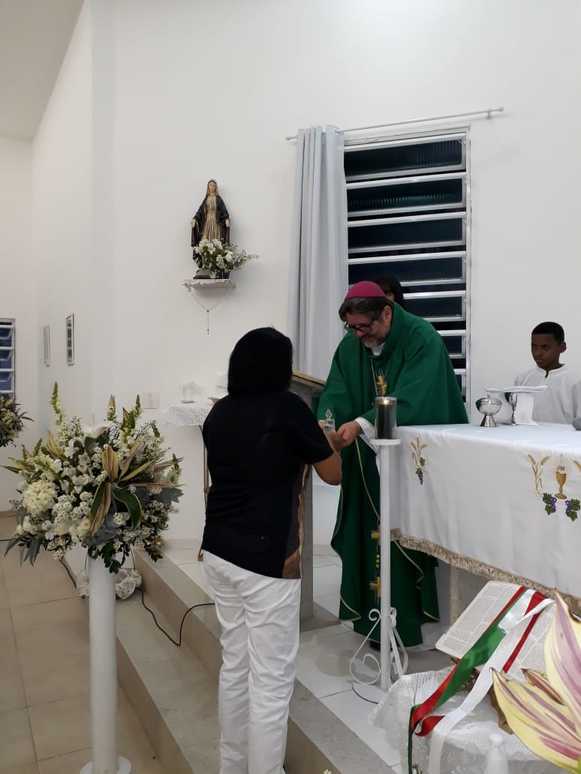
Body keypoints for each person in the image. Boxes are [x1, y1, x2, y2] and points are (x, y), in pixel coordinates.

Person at [201, 327, 342, 774]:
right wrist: (328, 440)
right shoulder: (289, 408)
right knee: (271, 680)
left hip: (219, 549)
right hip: (266, 560)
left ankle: (231, 767)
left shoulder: (218, 412)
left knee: (235, 664)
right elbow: (333, 474)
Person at [317, 281, 467, 647]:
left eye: (364, 326)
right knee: (367, 536)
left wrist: (361, 423)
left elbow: (418, 397)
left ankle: (410, 624)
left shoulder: (421, 338)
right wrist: (328, 424)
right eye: (352, 327)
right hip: (366, 463)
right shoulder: (352, 345)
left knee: (405, 540)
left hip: (410, 464)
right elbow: (336, 389)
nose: (358, 335)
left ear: (386, 312)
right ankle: (373, 623)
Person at [514, 321, 581, 424]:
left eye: (545, 347)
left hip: (564, 435)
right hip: (524, 434)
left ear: (562, 347)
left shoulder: (575, 381)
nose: (537, 353)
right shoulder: (522, 379)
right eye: (534, 346)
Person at [191, 179, 230, 250]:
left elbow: (223, 209)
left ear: (215, 187)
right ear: (208, 187)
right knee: (206, 237)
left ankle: (215, 251)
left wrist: (226, 218)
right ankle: (206, 251)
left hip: (216, 221)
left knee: (216, 237)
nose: (212, 187)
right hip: (207, 221)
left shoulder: (218, 199)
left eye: (213, 185)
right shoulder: (206, 198)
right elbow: (200, 210)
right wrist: (195, 218)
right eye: (210, 185)